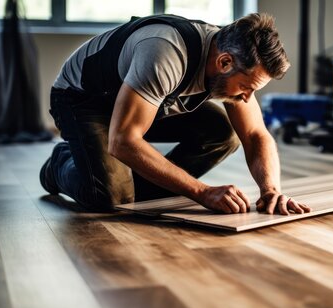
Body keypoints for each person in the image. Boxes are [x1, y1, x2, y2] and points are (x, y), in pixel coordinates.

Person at [40, 12, 311, 215]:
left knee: (223, 133)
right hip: (82, 100)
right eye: (246, 87)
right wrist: (201, 192)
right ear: (224, 62)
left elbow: (254, 135)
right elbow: (123, 140)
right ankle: (60, 163)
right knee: (112, 198)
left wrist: (271, 190)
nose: (248, 98)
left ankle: (128, 181)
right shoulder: (166, 54)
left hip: (145, 103)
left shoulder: (231, 56)